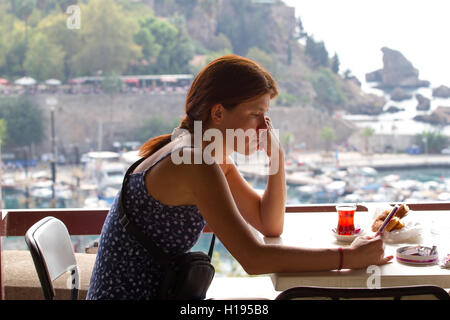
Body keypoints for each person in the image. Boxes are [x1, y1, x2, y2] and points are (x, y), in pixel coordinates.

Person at [87, 55, 392, 300]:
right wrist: (348, 257)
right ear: (218, 113)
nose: (264, 128)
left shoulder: (205, 153)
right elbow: (254, 259)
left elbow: (268, 223)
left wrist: (278, 159)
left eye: (266, 116)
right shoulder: (196, 161)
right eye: (254, 115)